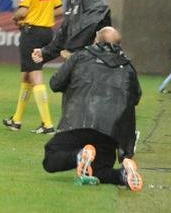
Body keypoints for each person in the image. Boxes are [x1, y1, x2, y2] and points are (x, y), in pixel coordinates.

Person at [42, 27, 143, 191]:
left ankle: (79, 156)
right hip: (110, 132)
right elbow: (136, 96)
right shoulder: (128, 67)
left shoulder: (80, 56)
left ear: (96, 41)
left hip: (78, 123)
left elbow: (55, 83)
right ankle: (123, 176)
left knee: (51, 157)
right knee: (100, 171)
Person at [4, 0, 63, 134]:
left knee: (35, 75)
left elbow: (22, 11)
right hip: (47, 32)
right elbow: (59, 10)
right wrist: (42, 16)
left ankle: (47, 124)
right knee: (28, 75)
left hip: (32, 32)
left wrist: (15, 19)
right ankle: (17, 120)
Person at [32, 0, 111, 66]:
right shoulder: (71, 0)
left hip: (96, 63)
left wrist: (72, 49)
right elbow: (64, 33)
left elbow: (91, 24)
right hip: (80, 60)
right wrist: (45, 53)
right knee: (57, 82)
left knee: (58, 82)